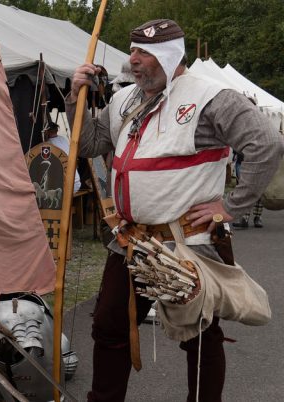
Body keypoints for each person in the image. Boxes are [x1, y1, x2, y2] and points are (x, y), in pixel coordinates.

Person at [66, 19, 283, 401]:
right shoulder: (124, 99)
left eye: (144, 53)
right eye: (132, 51)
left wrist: (231, 205)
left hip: (189, 241)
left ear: (169, 56)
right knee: (109, 327)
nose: (133, 60)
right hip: (131, 240)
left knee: (198, 334)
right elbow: (88, 144)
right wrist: (75, 99)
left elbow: (265, 144)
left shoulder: (212, 97)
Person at [44, 121, 82, 193]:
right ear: (57, 130)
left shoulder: (49, 144)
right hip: (77, 183)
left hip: (67, 186)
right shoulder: (63, 139)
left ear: (47, 131)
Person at [232, 151, 264, 228]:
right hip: (242, 160)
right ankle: (244, 218)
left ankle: (257, 217)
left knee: (259, 190)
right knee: (244, 190)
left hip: (260, 161)